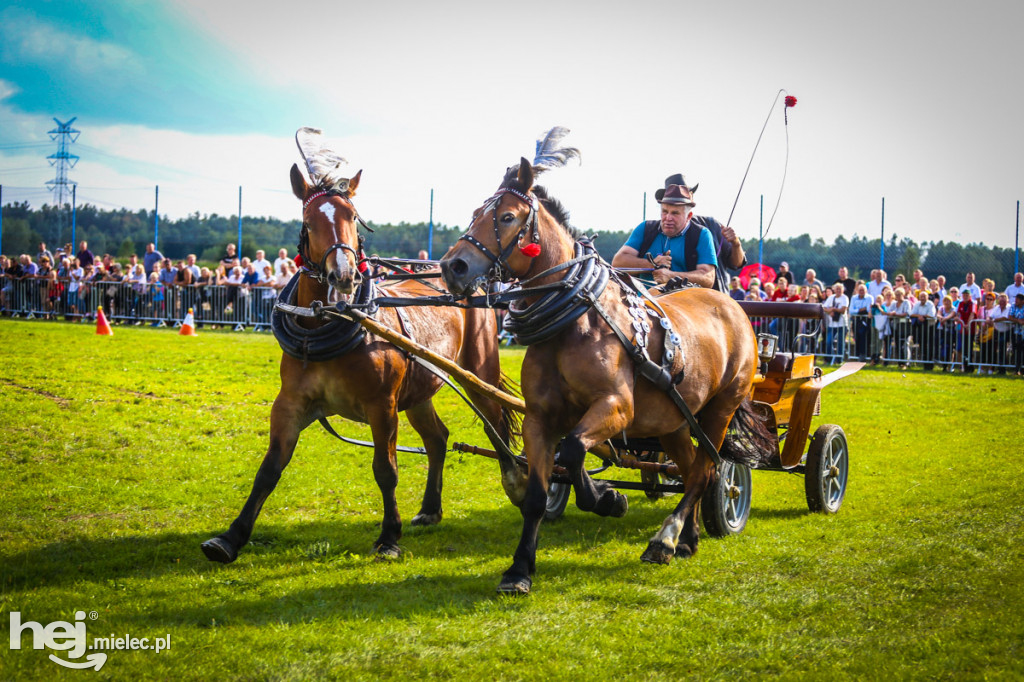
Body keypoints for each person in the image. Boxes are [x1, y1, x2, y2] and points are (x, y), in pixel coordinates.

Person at [612, 174, 744, 291]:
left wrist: (671, 276)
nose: (668, 218)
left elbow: (709, 277)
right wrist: (651, 264)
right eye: (664, 211)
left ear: (689, 215)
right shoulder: (645, 228)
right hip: (643, 306)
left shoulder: (705, 231)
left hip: (686, 308)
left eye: (675, 213)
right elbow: (617, 262)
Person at [909, 289, 937, 369]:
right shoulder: (917, 304)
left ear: (927, 297)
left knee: (930, 345)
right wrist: (919, 316)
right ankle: (925, 364)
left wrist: (923, 316)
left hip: (930, 327)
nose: (922, 298)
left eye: (924, 296)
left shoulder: (930, 304)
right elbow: (911, 313)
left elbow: (931, 315)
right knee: (922, 345)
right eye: (921, 296)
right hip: (921, 327)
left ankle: (930, 364)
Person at [822, 283, 849, 361]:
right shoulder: (831, 298)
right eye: (837, 289)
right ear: (834, 290)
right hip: (832, 324)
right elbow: (824, 308)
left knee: (840, 343)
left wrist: (833, 309)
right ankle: (829, 359)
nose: (838, 290)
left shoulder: (845, 298)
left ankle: (839, 359)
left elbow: (843, 310)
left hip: (842, 324)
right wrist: (829, 311)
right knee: (828, 341)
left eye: (840, 289)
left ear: (842, 290)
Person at [887, 288, 912, 369]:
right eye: (896, 294)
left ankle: (906, 362)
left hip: (905, 325)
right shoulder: (893, 303)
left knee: (905, 344)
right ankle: (900, 363)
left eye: (899, 294)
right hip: (896, 326)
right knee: (898, 344)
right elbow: (890, 312)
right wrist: (892, 314)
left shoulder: (906, 302)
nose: (898, 296)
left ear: (903, 295)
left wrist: (896, 314)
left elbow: (907, 313)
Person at [848, 283, 873, 361]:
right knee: (857, 337)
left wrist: (858, 311)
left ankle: (863, 354)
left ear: (866, 291)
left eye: (863, 290)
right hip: (856, 320)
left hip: (866, 320)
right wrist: (860, 310)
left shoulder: (870, 298)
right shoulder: (854, 298)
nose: (861, 291)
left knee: (864, 337)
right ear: (857, 291)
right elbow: (851, 310)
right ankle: (857, 354)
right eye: (860, 290)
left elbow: (868, 309)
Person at [956, 289, 977, 371]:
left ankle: (970, 366)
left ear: (970, 296)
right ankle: (964, 365)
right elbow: (958, 313)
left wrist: (968, 324)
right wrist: (958, 318)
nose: (965, 296)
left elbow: (972, 314)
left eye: (967, 295)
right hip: (962, 329)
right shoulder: (960, 303)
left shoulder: (973, 304)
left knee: (969, 347)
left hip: (970, 329)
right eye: (964, 295)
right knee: (963, 348)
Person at [1009, 292, 1024, 376]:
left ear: (1023, 301)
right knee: (1017, 351)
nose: (1016, 301)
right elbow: (1010, 316)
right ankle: (1017, 370)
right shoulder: (1013, 306)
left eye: (1018, 300)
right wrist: (1018, 320)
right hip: (1016, 332)